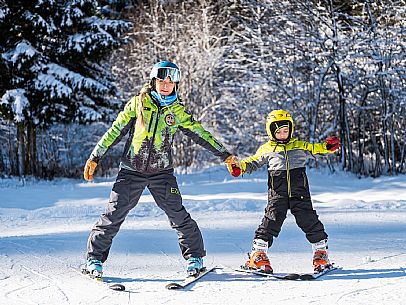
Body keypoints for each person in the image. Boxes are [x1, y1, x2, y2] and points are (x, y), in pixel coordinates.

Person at [83, 60, 240, 277]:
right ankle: (94, 260)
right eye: (161, 80)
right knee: (113, 214)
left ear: (176, 84)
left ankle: (194, 257)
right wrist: (95, 156)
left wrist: (226, 156)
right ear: (153, 81)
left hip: (161, 173)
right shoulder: (138, 104)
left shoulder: (177, 111)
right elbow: (115, 130)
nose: (165, 85)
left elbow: (202, 134)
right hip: (131, 170)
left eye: (170, 81)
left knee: (177, 214)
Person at [230, 109, 339, 273]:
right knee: (270, 222)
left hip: (300, 194)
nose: (282, 134)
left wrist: (327, 146)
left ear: (291, 129)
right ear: (271, 132)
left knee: (309, 221)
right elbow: (253, 162)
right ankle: (258, 256)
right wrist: (240, 167)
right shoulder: (266, 149)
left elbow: (316, 148)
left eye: (286, 130)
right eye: (278, 132)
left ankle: (321, 254)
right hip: (277, 195)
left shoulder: (299, 146)